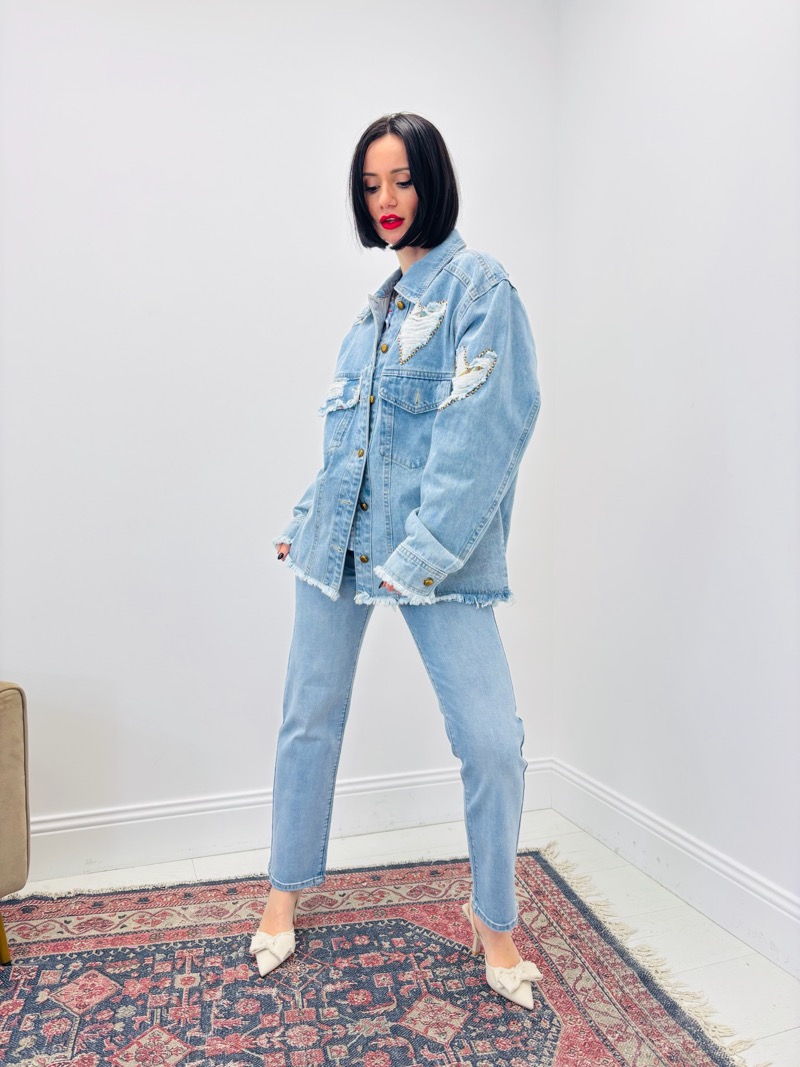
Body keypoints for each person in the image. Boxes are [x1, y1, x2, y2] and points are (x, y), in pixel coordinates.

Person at [250, 113, 542, 1009]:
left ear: (434, 181)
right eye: (372, 184)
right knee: (308, 715)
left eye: (403, 180)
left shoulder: (480, 289)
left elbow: (486, 433)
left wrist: (420, 555)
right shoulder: (372, 313)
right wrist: (308, 516)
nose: (387, 199)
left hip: (435, 556)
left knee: (492, 743)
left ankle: (494, 920)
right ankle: (283, 890)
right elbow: (350, 442)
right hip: (337, 542)